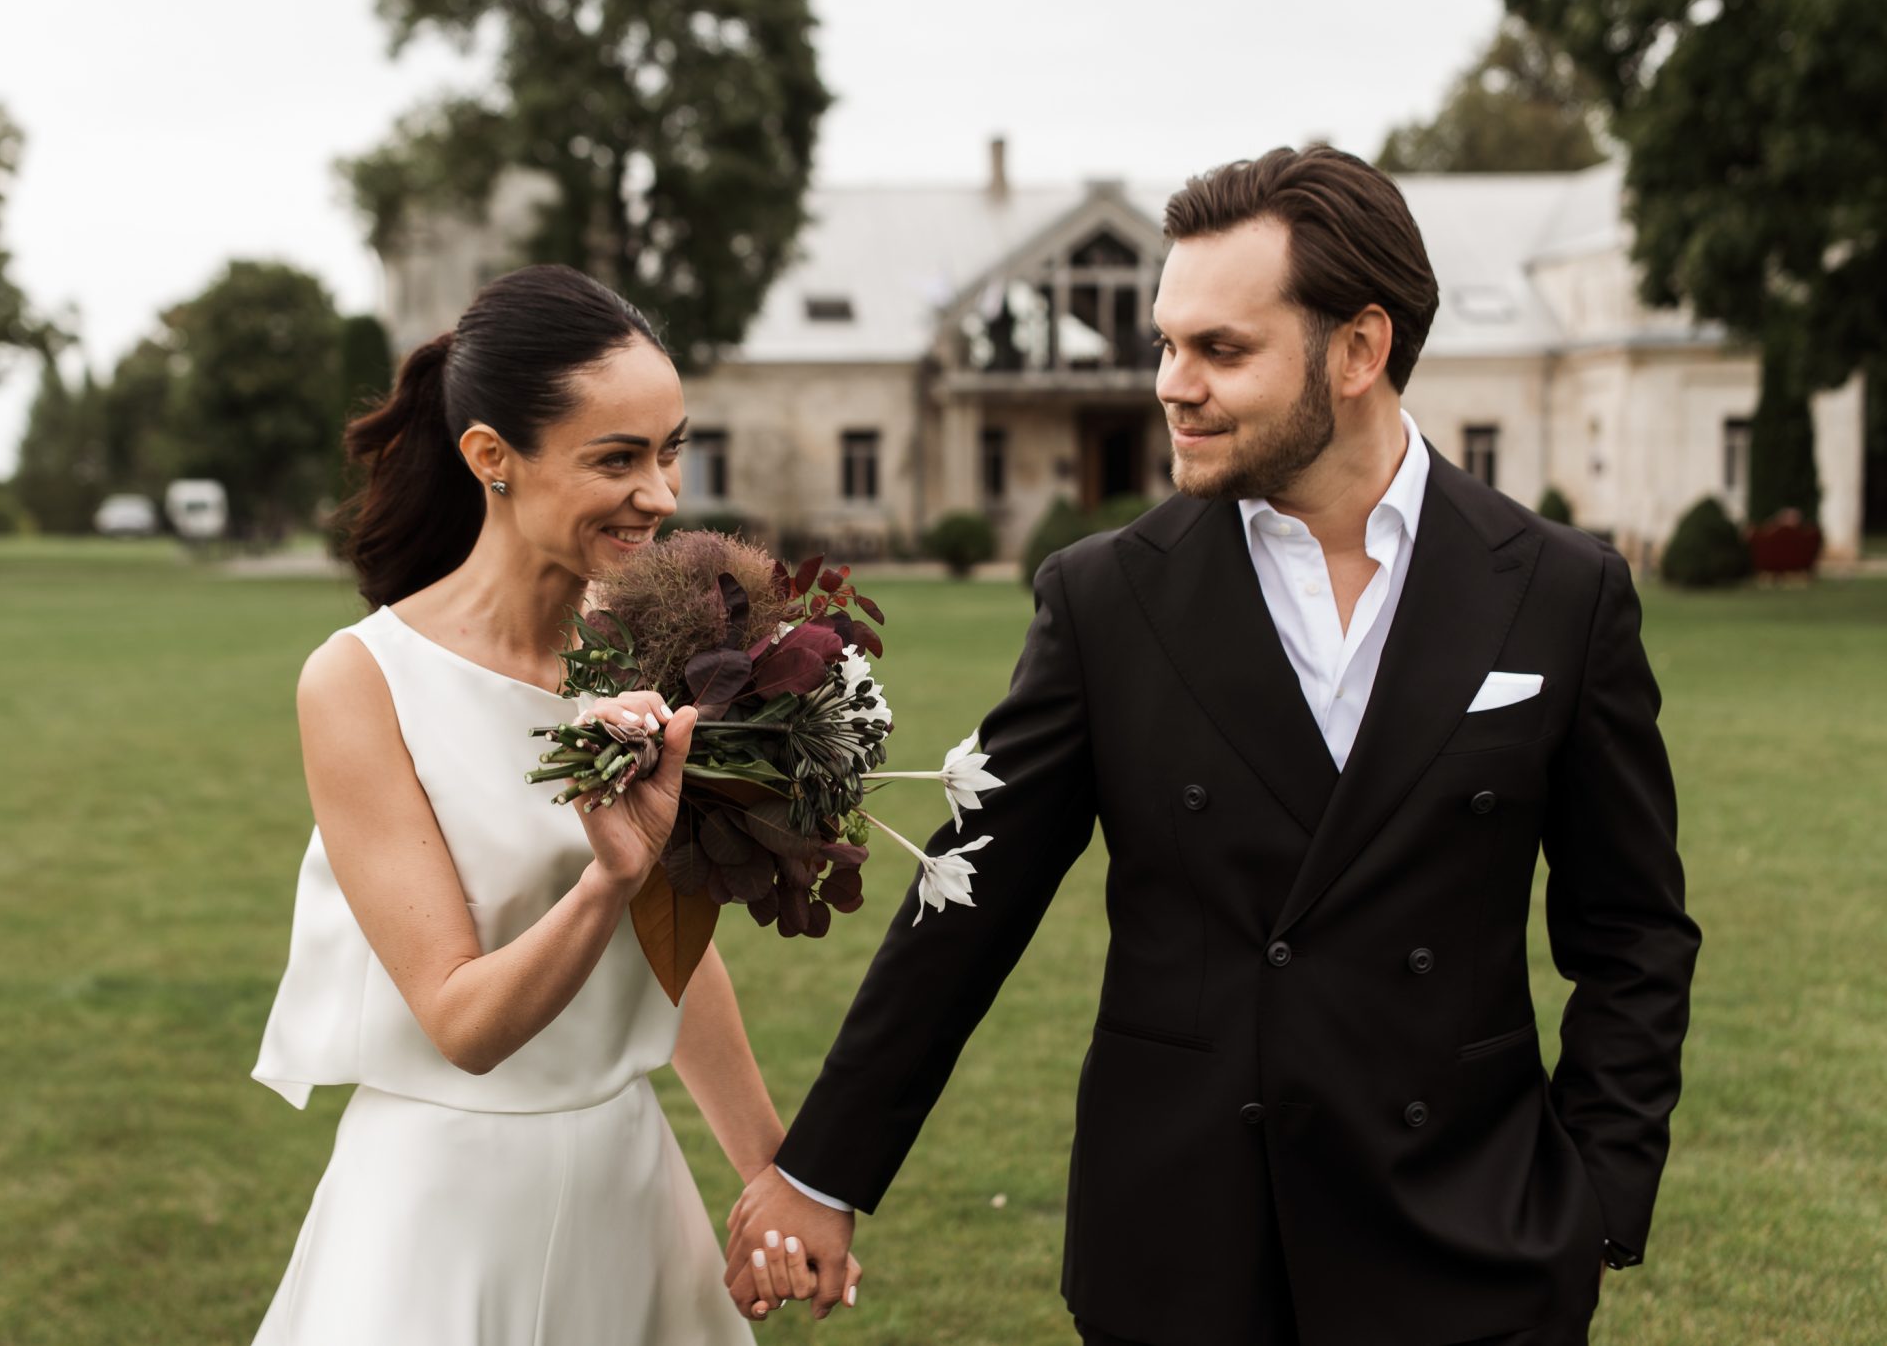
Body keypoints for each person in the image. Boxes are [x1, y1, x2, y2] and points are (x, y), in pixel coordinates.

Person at [727, 147, 1699, 1346]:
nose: (1169, 386)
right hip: (1183, 1251)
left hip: (1471, 1240)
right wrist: (822, 1171)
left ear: (1358, 349)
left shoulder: (1559, 591)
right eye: (1164, 344)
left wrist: (1594, 1196)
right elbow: (970, 900)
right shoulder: (1106, 599)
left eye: (1219, 350)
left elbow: (1632, 931)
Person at [247, 264, 847, 1343]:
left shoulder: (662, 649)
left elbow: (674, 943)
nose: (661, 495)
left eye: (668, 451)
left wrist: (774, 1177)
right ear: (492, 457)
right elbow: (462, 1023)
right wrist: (609, 876)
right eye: (617, 459)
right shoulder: (361, 681)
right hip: (443, 1208)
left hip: (628, 1185)